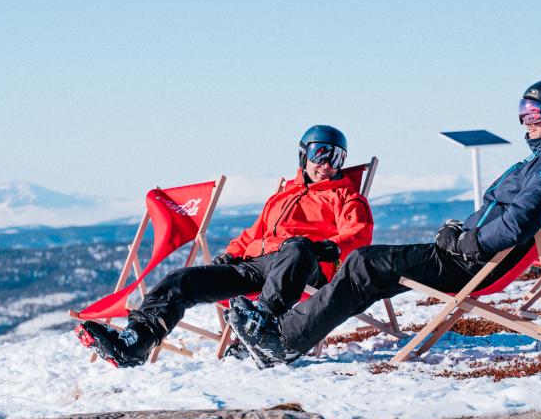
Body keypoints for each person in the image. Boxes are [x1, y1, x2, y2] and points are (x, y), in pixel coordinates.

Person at [228, 80, 541, 368]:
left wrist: (462, 242)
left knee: (363, 264)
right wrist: (459, 232)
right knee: (368, 269)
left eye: (533, 112)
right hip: (470, 255)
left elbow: (517, 224)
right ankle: (283, 334)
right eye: (523, 111)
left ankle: (283, 341)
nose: (525, 120)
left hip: (474, 262)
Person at [76, 125, 374, 367]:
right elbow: (253, 233)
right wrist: (231, 255)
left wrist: (324, 247)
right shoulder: (282, 196)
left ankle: (263, 332)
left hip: (304, 265)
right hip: (259, 265)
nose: (327, 164)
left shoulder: (346, 197)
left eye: (337, 158)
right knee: (181, 280)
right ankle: (135, 342)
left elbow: (359, 233)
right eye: (320, 153)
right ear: (303, 154)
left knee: (296, 248)